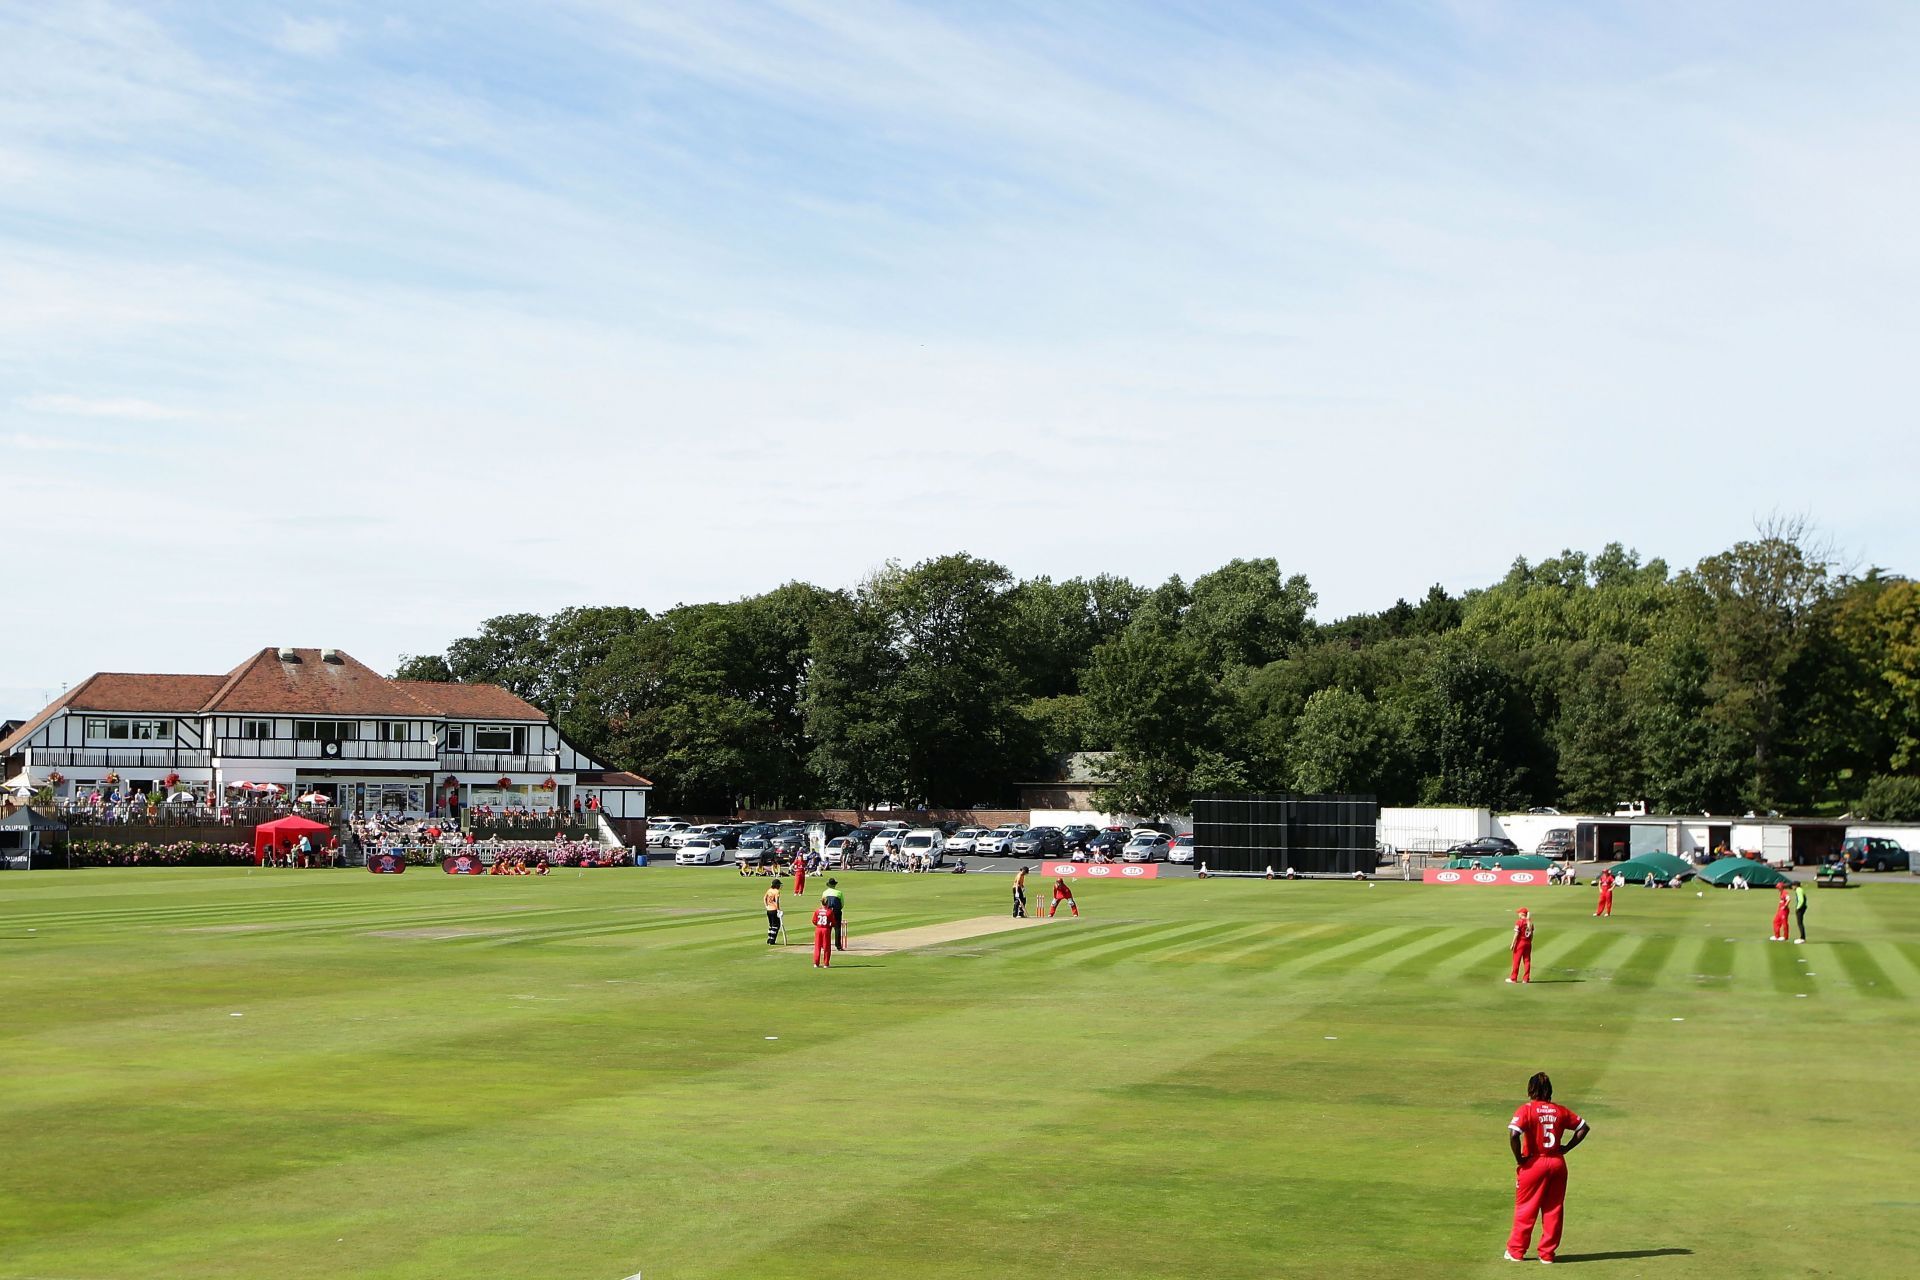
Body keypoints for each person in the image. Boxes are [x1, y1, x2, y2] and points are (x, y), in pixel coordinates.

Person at [1504, 1070, 1590, 1264]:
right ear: (1550, 1090)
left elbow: (1513, 1134)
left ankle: (1516, 1251)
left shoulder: (1526, 1110)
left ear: (1530, 1090)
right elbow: (1583, 1127)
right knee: (1554, 1209)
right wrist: (1566, 1147)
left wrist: (1519, 1159)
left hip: (1534, 1163)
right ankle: (1547, 1254)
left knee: (1526, 1208)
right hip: (1557, 1163)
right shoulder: (1560, 1110)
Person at [1507, 907, 1533, 984]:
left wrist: (1512, 944)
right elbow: (1531, 935)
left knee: (1516, 961)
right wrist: (1529, 941)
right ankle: (1526, 979)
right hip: (1528, 943)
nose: (1518, 914)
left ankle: (1513, 978)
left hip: (1520, 943)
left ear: (1522, 914)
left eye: (1519, 913)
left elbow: (1516, 934)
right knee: (1527, 961)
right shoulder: (1530, 923)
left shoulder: (1519, 922)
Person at [821, 878, 845, 951]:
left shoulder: (825, 892)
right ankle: (838, 946)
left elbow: (823, 902)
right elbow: (842, 904)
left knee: (827, 929)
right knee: (837, 928)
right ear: (834, 885)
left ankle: (825, 945)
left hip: (827, 912)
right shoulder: (839, 893)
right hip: (836, 911)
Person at [811, 898, 835, 968]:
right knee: (826, 947)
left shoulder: (817, 911)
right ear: (827, 903)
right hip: (826, 929)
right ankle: (826, 963)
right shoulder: (829, 911)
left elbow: (814, 921)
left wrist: (818, 925)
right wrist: (830, 925)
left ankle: (816, 963)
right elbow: (833, 922)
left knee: (817, 946)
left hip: (818, 929)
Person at [763, 879, 783, 946]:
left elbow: (764, 898)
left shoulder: (769, 890)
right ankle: (772, 940)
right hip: (774, 910)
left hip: (769, 910)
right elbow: (777, 901)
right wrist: (778, 910)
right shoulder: (777, 891)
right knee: (776, 925)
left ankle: (769, 938)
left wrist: (766, 906)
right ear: (777, 885)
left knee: (771, 925)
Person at [1791, 879, 1808, 944]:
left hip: (1801, 908)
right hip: (1803, 907)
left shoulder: (1798, 890)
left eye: (1792, 886)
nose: (1792, 887)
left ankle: (1802, 938)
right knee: (1800, 923)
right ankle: (1802, 937)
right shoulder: (1800, 889)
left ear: (1795, 886)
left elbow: (1801, 900)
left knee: (1800, 923)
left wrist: (1798, 908)